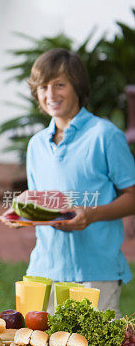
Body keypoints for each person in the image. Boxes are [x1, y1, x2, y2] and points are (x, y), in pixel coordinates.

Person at [25, 48, 135, 313]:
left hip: (96, 271)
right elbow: (39, 202)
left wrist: (92, 214)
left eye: (59, 85)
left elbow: (132, 195)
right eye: (43, 86)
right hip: (44, 269)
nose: (50, 94)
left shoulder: (105, 135)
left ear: (77, 86)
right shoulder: (36, 144)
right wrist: (24, 213)